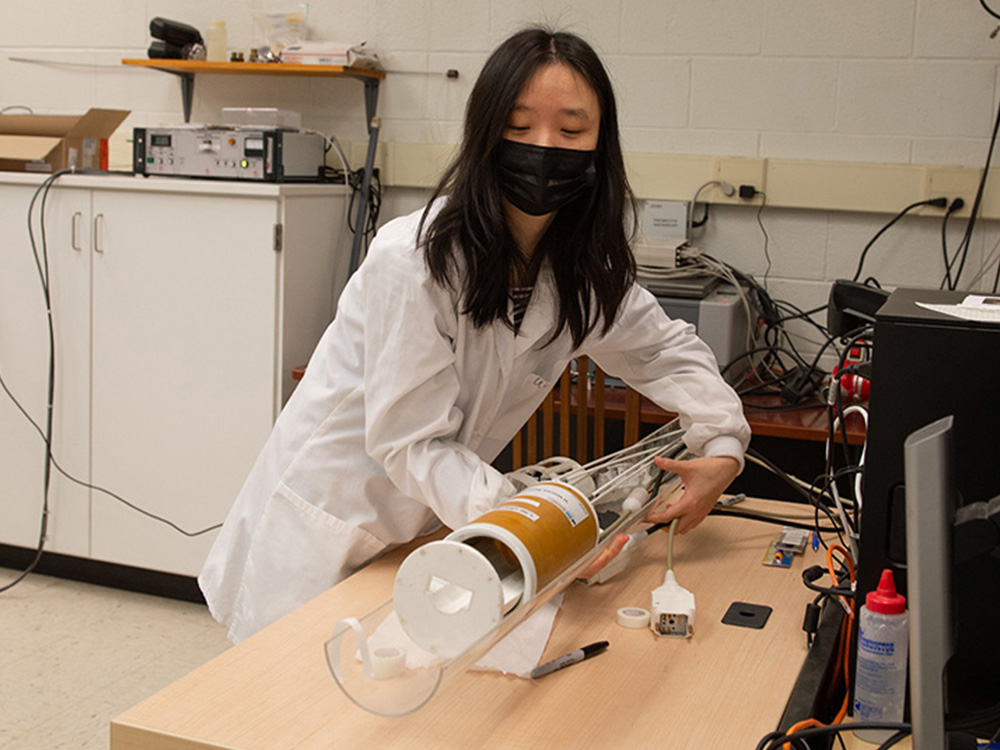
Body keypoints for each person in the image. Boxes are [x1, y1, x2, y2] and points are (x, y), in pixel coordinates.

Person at [199, 26, 751, 643]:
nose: (545, 148)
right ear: (485, 133)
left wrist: (722, 443)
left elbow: (662, 349)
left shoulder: (580, 268)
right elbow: (412, 443)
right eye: (519, 127)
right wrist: (542, 530)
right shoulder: (413, 259)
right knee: (291, 710)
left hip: (425, 529)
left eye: (571, 131)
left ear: (600, 144)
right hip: (329, 527)